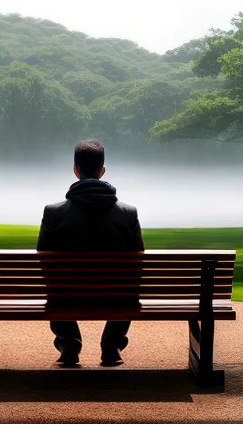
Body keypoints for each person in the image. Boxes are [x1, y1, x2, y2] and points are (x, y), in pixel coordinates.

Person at [36, 138, 144, 367]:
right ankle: (111, 346)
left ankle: (69, 345)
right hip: (116, 298)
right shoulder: (128, 213)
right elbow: (138, 261)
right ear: (102, 171)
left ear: (76, 171)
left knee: (55, 287)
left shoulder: (53, 213)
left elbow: (43, 258)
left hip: (67, 297)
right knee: (128, 287)